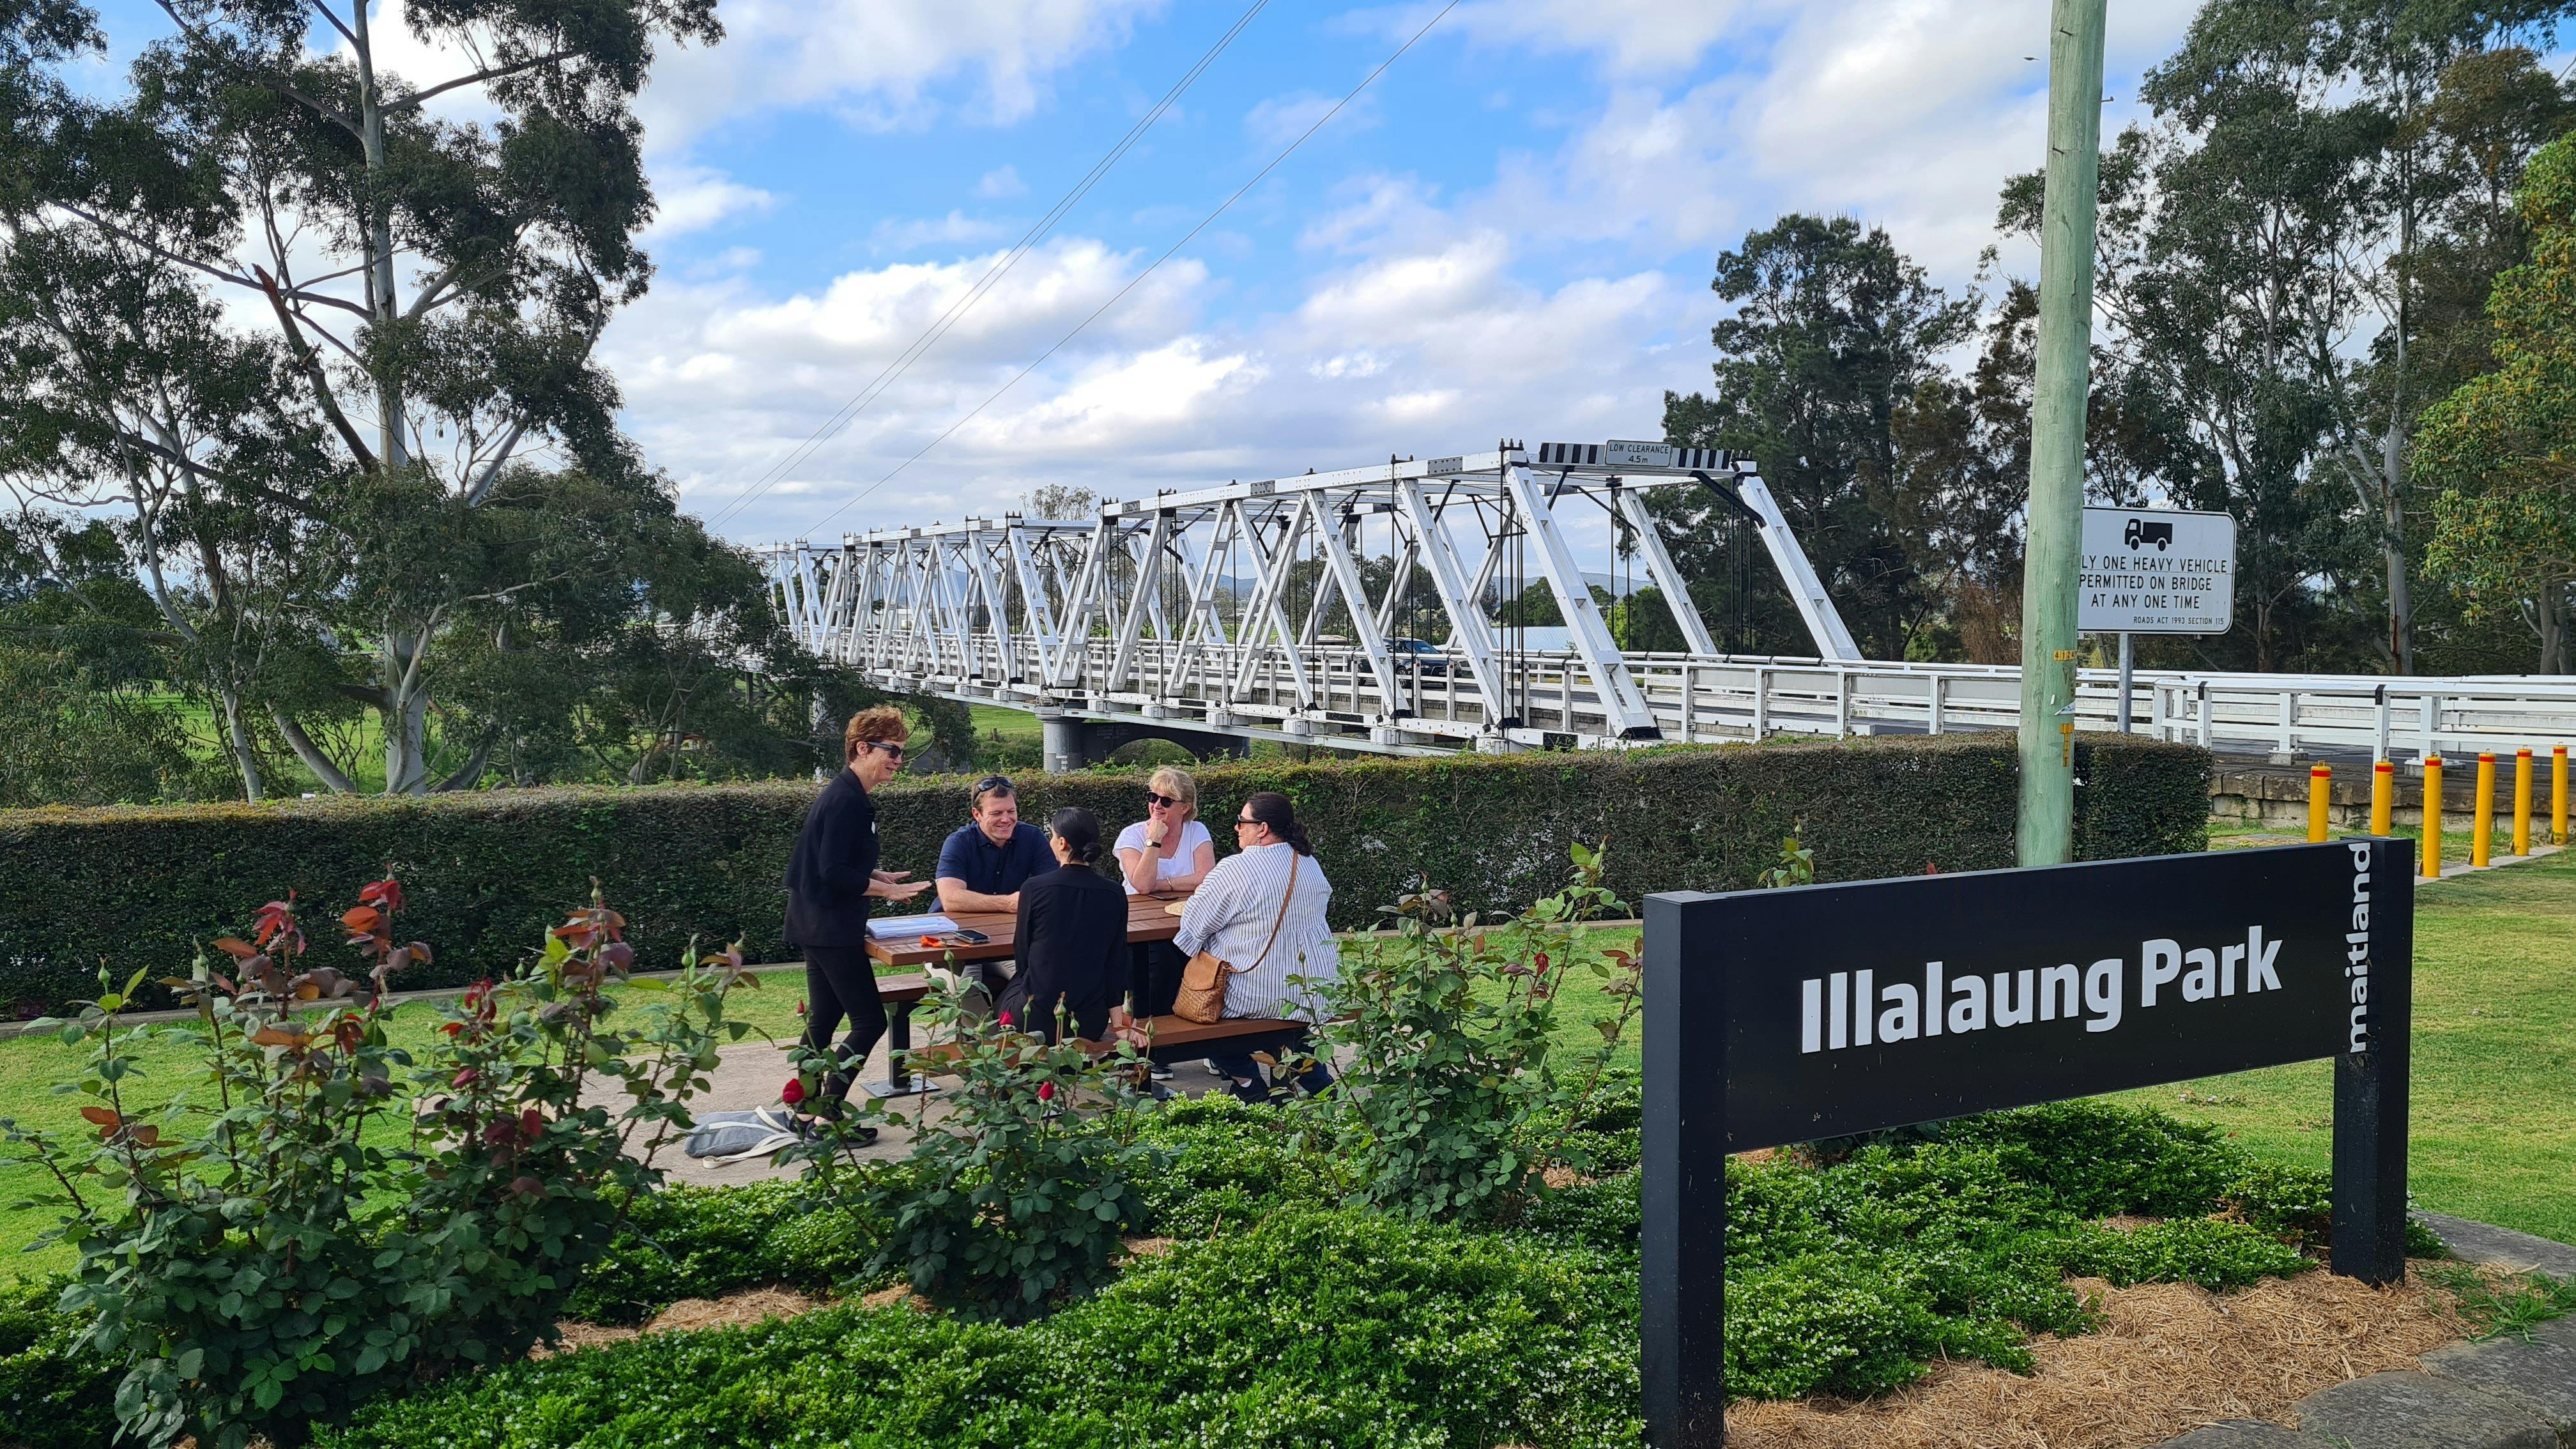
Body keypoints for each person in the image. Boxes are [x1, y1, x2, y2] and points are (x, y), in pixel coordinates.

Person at [781, 706, 930, 1135]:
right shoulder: (846, 800)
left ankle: (805, 1111)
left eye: (901, 752)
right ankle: (826, 1113)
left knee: (824, 1020)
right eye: (892, 751)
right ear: (863, 748)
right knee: (869, 1021)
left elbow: (831, 863)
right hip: (830, 928)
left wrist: (875, 876)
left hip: (817, 923)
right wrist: (886, 892)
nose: (898, 760)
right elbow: (831, 873)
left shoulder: (848, 794)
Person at [1170, 790, 1338, 1103]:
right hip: (1312, 990)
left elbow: (1192, 929)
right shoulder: (1309, 864)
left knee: (1197, 1013)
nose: (1237, 828)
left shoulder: (1235, 869)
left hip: (1257, 992)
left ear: (1262, 829)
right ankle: (1324, 1087)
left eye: (1242, 821)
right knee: (1289, 1033)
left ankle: (1248, 1083)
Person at [995, 808, 1130, 1044]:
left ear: (1062, 843)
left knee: (995, 987)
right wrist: (1118, 1023)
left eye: (1052, 836)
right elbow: (1116, 962)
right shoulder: (1114, 892)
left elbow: (1023, 955)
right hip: (1089, 1022)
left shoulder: (1034, 888)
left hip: (1033, 1017)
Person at [933, 776, 1055, 998]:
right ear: (977, 814)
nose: (1006, 819)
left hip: (1007, 944)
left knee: (1038, 981)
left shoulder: (1032, 837)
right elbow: (950, 898)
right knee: (966, 988)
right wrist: (1008, 903)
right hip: (955, 944)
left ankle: (1007, 1020)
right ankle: (984, 1024)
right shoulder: (959, 842)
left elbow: (1052, 889)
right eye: (997, 813)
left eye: (1011, 811)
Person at [1114, 767, 1213, 1036]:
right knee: (1160, 963)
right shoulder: (1132, 835)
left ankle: (1205, 1037)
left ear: (1185, 807)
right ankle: (1156, 1037)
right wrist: (1154, 840)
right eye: (1153, 797)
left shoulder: (1197, 831)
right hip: (1140, 928)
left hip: (1188, 922)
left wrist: (1162, 883)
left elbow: (1206, 877)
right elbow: (1142, 884)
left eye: (1166, 801)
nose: (1156, 805)